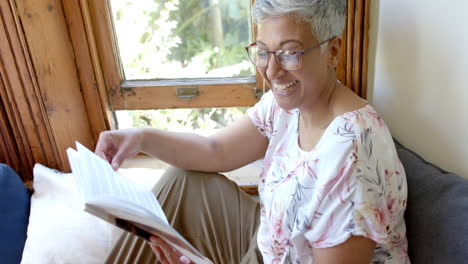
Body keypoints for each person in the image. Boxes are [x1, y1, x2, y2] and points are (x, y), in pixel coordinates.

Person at [96, 0, 409, 263]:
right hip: (271, 243)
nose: (271, 71)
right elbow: (215, 151)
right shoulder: (289, 104)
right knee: (181, 181)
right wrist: (140, 138)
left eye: (289, 52)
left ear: (333, 51)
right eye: (263, 51)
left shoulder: (351, 157)